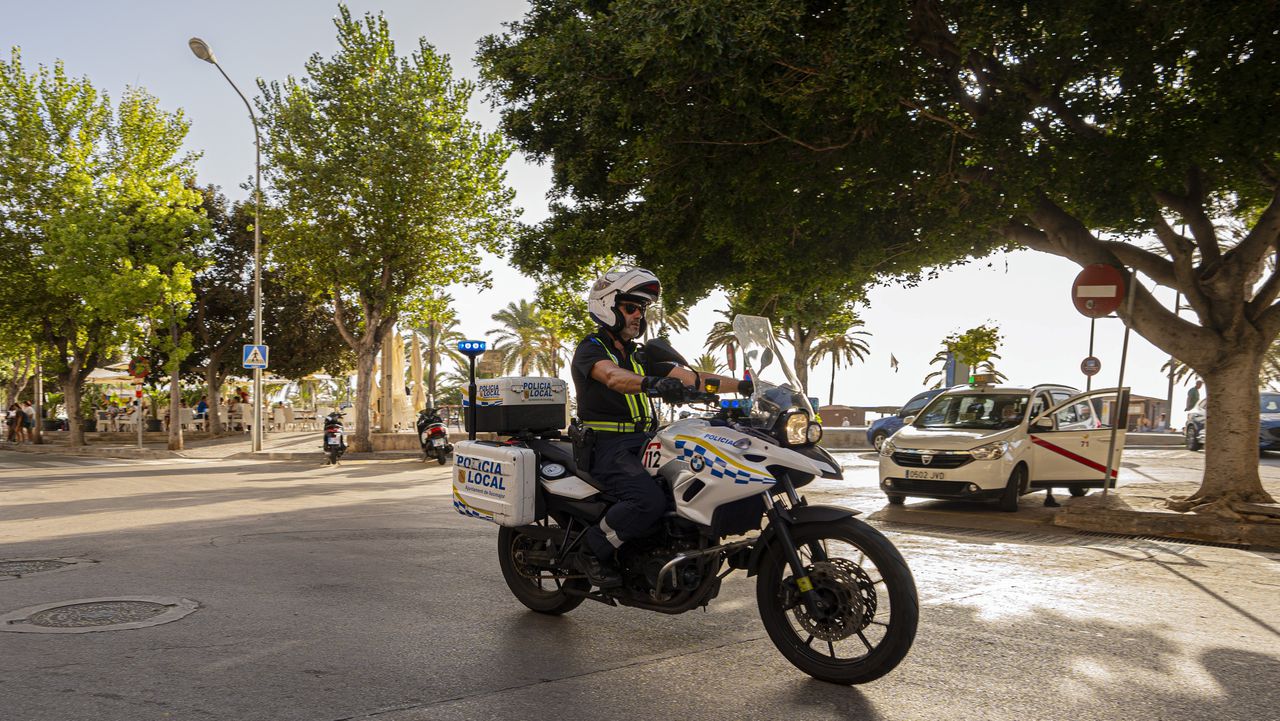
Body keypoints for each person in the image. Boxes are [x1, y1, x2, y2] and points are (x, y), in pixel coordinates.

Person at [570, 267, 752, 588]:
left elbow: (694, 378)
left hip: (644, 442)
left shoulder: (642, 354)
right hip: (607, 446)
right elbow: (614, 377)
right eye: (631, 308)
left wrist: (747, 386)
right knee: (648, 501)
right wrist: (654, 384)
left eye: (642, 309)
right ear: (608, 306)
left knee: (693, 483)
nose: (639, 315)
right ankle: (591, 551)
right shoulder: (592, 348)